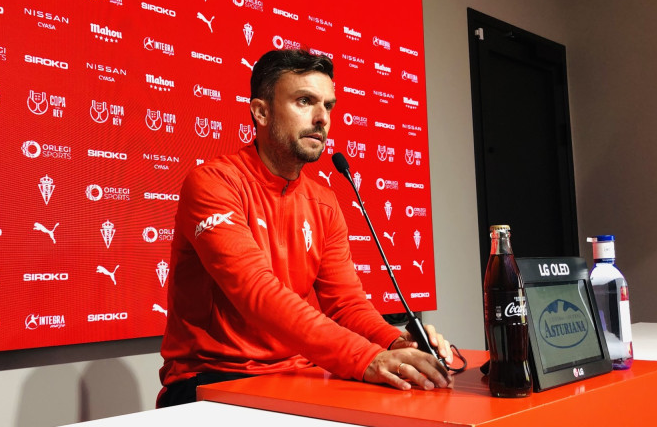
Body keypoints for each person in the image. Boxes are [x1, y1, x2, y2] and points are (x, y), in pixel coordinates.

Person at [157, 49, 453, 408]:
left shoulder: (324, 201)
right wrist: (364, 358)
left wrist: (396, 343)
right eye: (304, 101)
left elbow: (345, 304)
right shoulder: (214, 182)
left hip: (296, 376)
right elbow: (257, 295)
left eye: (328, 105)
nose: (321, 118)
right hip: (213, 378)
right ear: (261, 111)